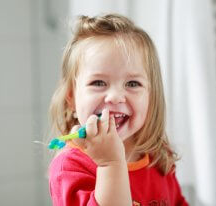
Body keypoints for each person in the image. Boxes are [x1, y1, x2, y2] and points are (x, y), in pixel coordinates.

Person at [48, 13, 188, 206]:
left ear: (151, 96)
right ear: (71, 98)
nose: (114, 97)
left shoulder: (157, 156)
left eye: (132, 83)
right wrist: (110, 163)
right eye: (98, 82)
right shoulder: (70, 167)